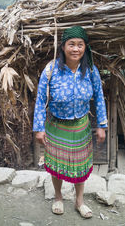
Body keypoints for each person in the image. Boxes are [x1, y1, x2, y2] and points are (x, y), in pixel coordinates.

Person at [33, 26, 108, 219]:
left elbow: (99, 97)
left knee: (81, 166)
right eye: (71, 44)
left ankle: (79, 201)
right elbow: (41, 100)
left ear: (85, 48)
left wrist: (101, 125)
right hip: (56, 125)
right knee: (57, 165)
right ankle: (58, 197)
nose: (76, 49)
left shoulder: (90, 70)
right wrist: (39, 129)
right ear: (63, 47)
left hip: (81, 125)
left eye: (80, 45)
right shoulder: (51, 70)